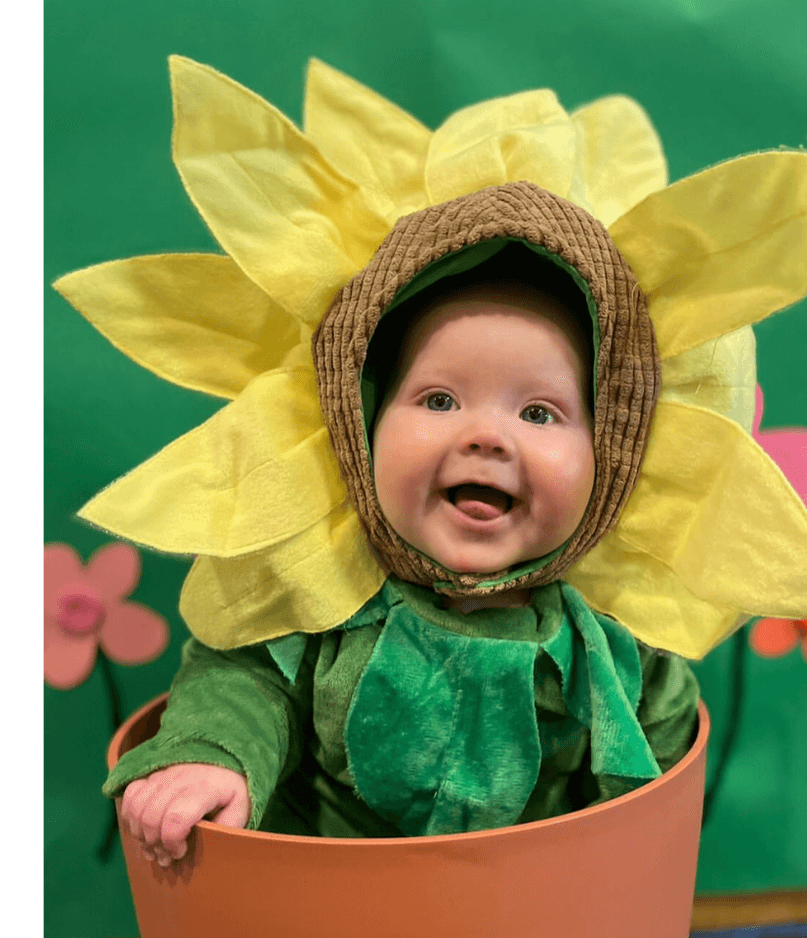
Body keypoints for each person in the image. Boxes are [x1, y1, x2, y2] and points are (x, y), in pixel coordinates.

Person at [105, 232, 701, 868]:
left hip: (528, 899)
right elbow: (244, 678)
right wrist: (211, 755)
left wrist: (635, 853)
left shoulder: (606, 636)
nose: (486, 437)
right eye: (439, 400)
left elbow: (657, 729)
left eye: (539, 413)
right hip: (333, 892)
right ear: (363, 425)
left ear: (607, 459)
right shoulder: (324, 591)